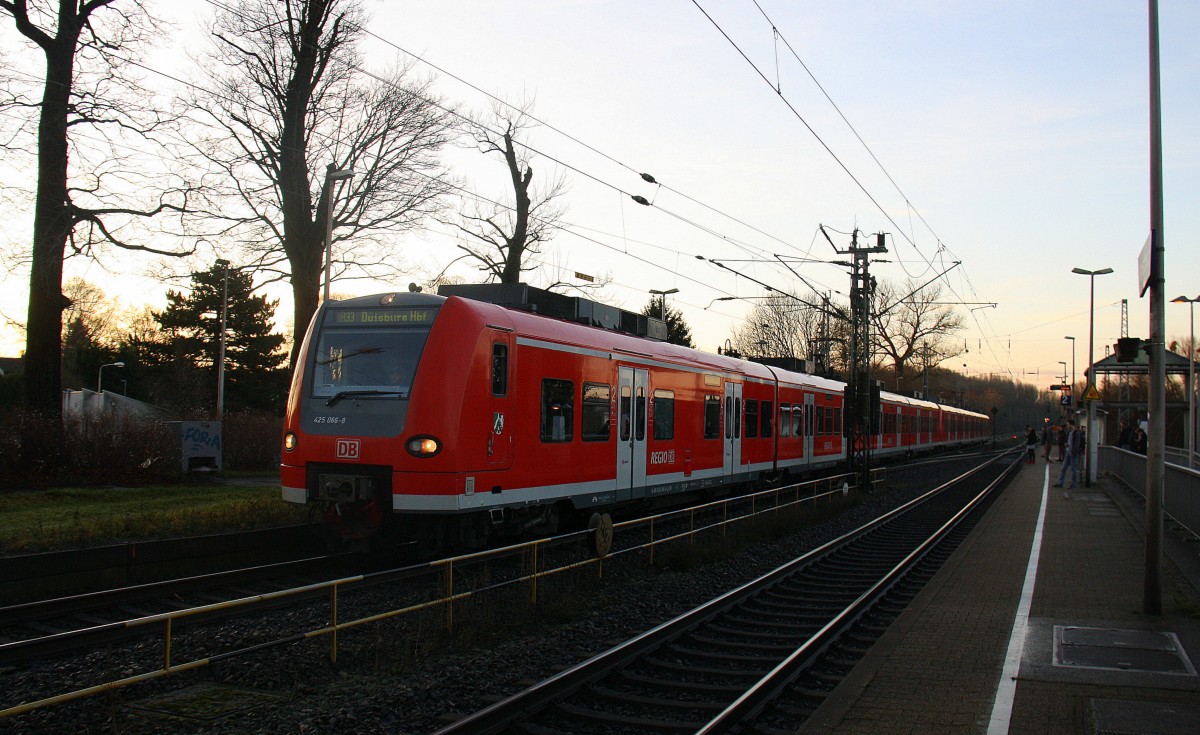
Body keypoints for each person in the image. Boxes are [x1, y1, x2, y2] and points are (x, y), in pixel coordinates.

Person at [1054, 420, 1084, 489]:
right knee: (1063, 468)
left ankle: (1073, 484)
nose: (1067, 426)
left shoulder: (1076, 433)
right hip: (1068, 451)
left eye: (1068, 424)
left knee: (1073, 469)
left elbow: (1077, 443)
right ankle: (1060, 483)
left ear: (1071, 425)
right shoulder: (1070, 432)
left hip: (1073, 453)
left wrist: (1073, 451)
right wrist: (1067, 445)